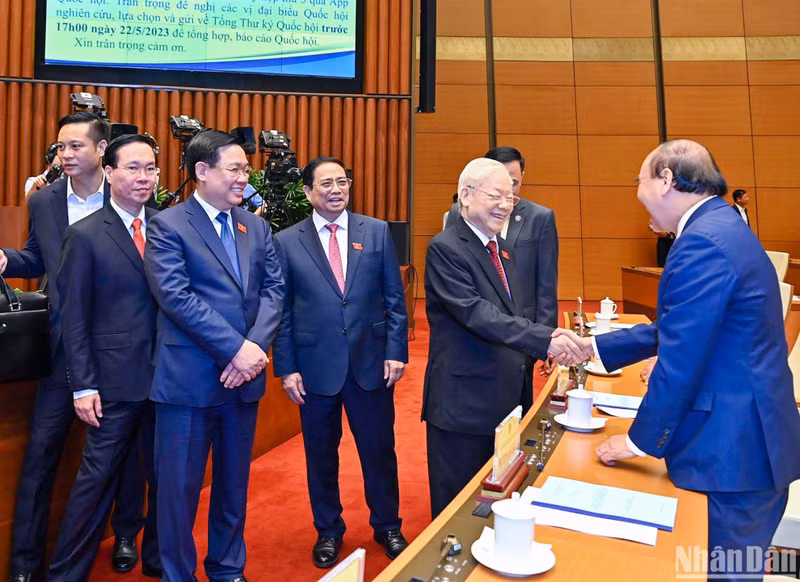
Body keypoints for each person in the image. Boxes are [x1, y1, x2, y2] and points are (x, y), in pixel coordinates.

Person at [588, 139, 800, 580]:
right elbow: (689, 326)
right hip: (746, 442)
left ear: (666, 180)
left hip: (736, 453)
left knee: (725, 572)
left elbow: (683, 357)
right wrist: (596, 348)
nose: (638, 192)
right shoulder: (721, 226)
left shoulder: (703, 241)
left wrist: (638, 443)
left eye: (640, 180)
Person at [0, 111, 148, 582]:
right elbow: (39, 257)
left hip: (123, 348)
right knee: (41, 453)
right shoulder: (44, 201)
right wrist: (5, 260)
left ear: (102, 150)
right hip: (64, 345)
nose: (64, 154)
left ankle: (125, 534)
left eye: (74, 146)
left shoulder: (126, 192)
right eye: (60, 146)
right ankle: (25, 565)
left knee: (128, 449)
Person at [143, 129, 284, 582]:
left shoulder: (255, 226)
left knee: (233, 487)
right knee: (178, 494)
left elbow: (274, 291)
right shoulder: (168, 225)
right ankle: (177, 574)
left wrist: (253, 349)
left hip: (243, 381)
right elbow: (175, 296)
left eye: (247, 169)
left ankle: (227, 568)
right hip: (188, 382)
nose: (245, 177)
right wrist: (235, 349)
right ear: (202, 171)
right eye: (235, 169)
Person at [423, 157, 586, 517]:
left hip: (505, 395)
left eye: (510, 198)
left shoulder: (501, 248)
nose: (505, 205)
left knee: (500, 495)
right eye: (495, 196)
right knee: (459, 508)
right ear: (466, 195)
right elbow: (478, 314)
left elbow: (515, 312)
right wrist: (545, 339)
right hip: (464, 404)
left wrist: (546, 335)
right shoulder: (446, 247)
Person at [273, 157, 409, 569]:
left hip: (370, 362)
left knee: (379, 450)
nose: (336, 190)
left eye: (343, 182)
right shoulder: (287, 241)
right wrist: (286, 367)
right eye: (326, 184)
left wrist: (396, 350)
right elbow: (282, 310)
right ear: (308, 192)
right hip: (314, 367)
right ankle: (328, 531)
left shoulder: (376, 231)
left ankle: (387, 524)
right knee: (320, 454)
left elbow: (394, 298)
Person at [48, 134, 162, 581]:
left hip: (168, 379)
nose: (144, 177)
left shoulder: (169, 227)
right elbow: (74, 317)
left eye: (150, 168)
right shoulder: (85, 234)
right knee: (94, 483)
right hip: (111, 383)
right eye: (133, 168)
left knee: (166, 477)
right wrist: (83, 385)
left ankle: (158, 559)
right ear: (109, 173)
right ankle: (65, 573)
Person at [445, 146, 559, 394]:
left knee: (518, 402)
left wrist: (546, 338)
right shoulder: (458, 215)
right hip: (472, 337)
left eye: (513, 184)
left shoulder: (540, 218)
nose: (506, 197)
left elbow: (546, 285)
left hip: (523, 336)